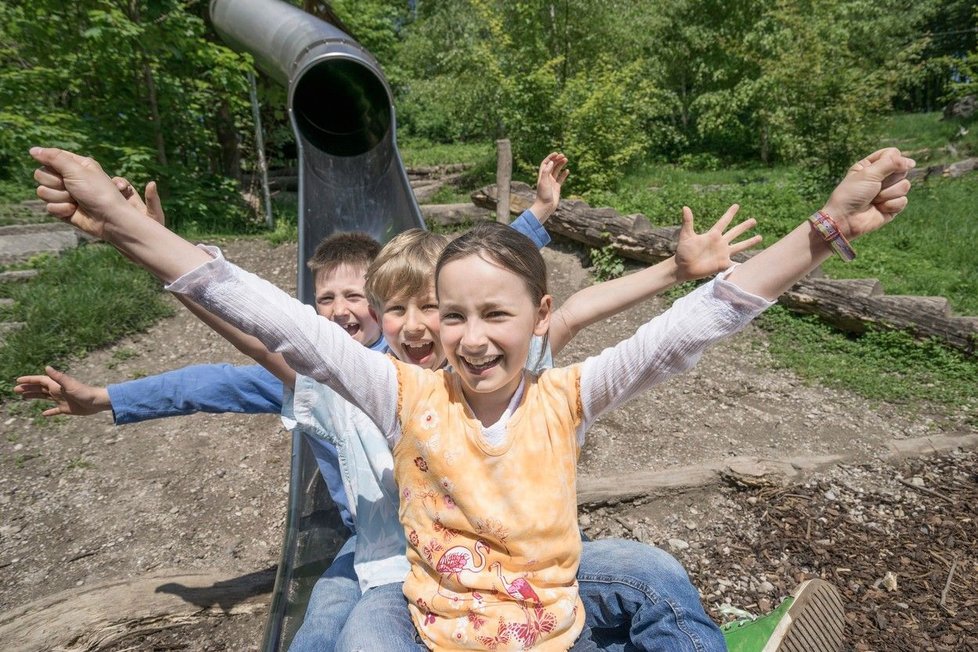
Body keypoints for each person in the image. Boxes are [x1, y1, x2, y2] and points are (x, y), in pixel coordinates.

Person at [30, 144, 912, 649]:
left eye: (496, 314)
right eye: (453, 315)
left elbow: (689, 328)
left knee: (649, 574)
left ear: (541, 318)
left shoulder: (566, 392)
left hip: (541, 608)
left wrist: (824, 230)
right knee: (356, 639)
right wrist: (131, 224)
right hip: (424, 608)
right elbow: (268, 322)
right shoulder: (397, 391)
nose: (470, 334)